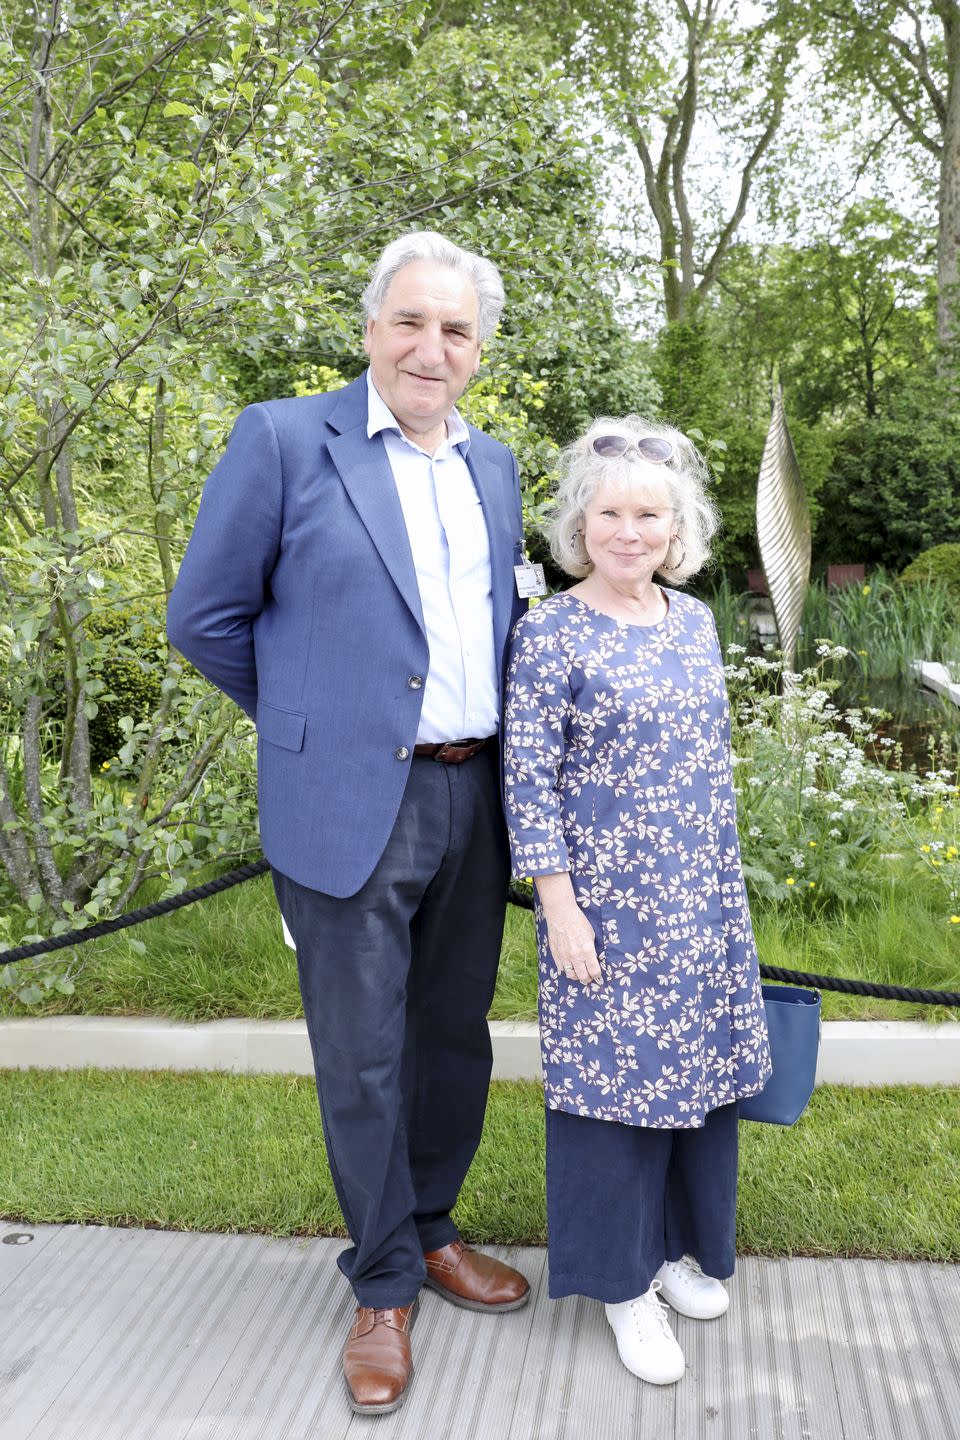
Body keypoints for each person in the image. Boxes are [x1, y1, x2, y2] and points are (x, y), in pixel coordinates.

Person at [167, 231, 530, 1417]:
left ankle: (430, 1229)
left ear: (479, 350)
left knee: (451, 1039)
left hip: (475, 796)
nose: (434, 348)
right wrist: (313, 725)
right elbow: (206, 618)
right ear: (371, 329)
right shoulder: (282, 440)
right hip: (346, 802)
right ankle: (379, 1288)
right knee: (363, 1056)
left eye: (458, 330)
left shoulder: (495, 467)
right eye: (413, 323)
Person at [502, 417, 771, 1386]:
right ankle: (623, 1287)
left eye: (648, 514)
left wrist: (725, 899)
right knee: (614, 1095)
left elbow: (708, 766)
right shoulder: (550, 634)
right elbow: (526, 782)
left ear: (675, 527)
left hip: (697, 903)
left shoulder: (693, 621)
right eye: (610, 512)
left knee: (692, 1084)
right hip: (603, 915)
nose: (630, 531)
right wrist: (559, 907)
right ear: (581, 523)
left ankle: (669, 1254)